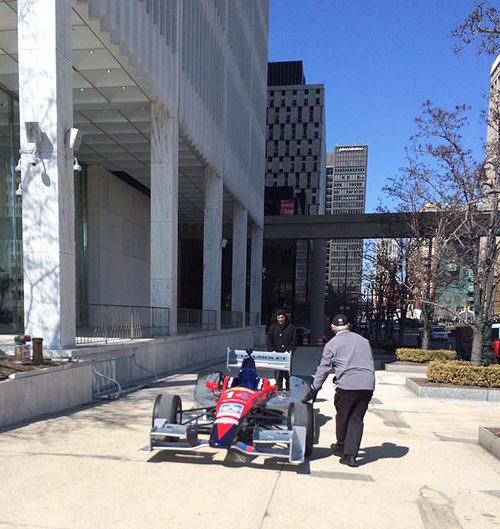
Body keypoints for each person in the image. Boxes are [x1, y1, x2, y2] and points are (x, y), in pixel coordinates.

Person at [303, 314, 375, 467]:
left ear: (333, 327)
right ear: (349, 325)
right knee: (356, 419)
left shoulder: (332, 344)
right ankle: (351, 456)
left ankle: (341, 447)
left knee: (343, 417)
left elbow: (323, 369)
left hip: (347, 385)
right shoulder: (364, 341)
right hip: (367, 384)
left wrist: (314, 389)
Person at [267, 309, 297, 390]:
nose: (280, 319)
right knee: (278, 375)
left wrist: (289, 351)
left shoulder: (291, 327)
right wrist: (272, 350)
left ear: (285, 317)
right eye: (279, 317)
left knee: (288, 376)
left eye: (282, 317)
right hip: (276, 355)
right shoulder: (273, 328)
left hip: (287, 355)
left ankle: (288, 390)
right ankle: (278, 391)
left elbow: (294, 341)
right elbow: (270, 341)